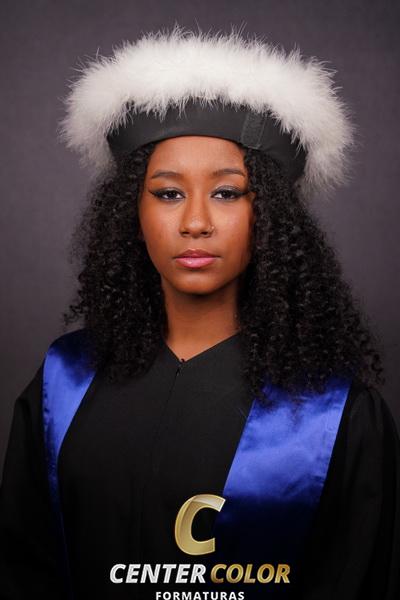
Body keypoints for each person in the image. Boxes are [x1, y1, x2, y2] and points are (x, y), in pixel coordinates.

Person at [1, 25, 399, 600]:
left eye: (227, 193)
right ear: (131, 212)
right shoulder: (64, 384)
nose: (195, 222)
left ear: (270, 216)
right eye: (168, 193)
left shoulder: (334, 414)